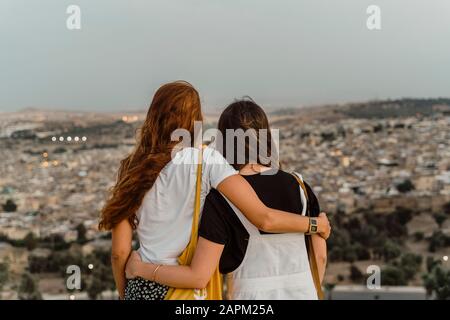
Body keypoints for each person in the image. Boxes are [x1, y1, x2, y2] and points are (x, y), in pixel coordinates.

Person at [125, 98, 328, 299]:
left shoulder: (222, 197)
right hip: (303, 292)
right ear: (265, 137)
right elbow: (320, 256)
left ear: (224, 141)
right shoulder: (300, 185)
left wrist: (141, 269)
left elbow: (199, 275)